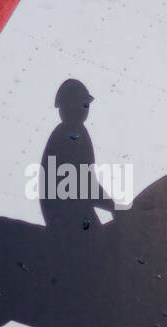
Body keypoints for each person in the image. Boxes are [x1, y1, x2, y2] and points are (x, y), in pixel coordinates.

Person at [39, 79, 117, 236]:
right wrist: (112, 206)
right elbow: (85, 183)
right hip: (69, 213)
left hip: (62, 212)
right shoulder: (73, 133)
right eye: (83, 104)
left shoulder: (65, 132)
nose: (85, 109)